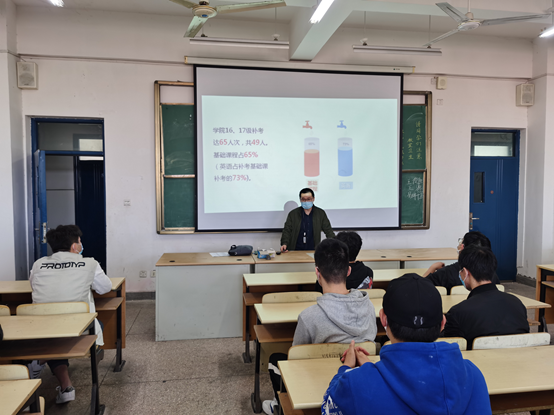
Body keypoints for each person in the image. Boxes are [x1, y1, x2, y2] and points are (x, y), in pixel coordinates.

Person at [322, 273, 492, 415]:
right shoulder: (473, 376)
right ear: (442, 323)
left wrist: (346, 369)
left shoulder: (355, 384)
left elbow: (328, 407)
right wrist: (374, 370)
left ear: (383, 319)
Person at [263, 238, 376, 414]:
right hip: (362, 383)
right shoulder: (368, 306)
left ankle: (280, 406)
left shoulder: (309, 316)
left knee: (276, 359)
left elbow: (296, 358)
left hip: (318, 383)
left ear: (317, 272)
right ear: (348, 270)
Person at [28, 224, 112, 404]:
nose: (81, 245)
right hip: (77, 330)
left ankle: (62, 382)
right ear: (74, 246)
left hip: (41, 329)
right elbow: (105, 288)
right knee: (96, 325)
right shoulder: (90, 263)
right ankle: (44, 362)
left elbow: (34, 286)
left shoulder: (38, 264)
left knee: (55, 335)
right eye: (80, 242)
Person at [444, 246, 529, 348]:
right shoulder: (517, 303)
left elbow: (451, 349)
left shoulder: (458, 312)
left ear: (465, 272)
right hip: (518, 357)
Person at [423, 231, 500, 293]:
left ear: (463, 248)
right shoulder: (492, 277)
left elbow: (421, 287)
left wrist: (432, 268)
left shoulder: (445, 273)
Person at [280, 188, 335, 252]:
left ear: (313, 199)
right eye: (303, 199)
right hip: (295, 249)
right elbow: (287, 230)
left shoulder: (320, 213)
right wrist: (284, 243)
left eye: (308, 199)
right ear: (300, 200)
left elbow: (328, 230)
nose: (306, 201)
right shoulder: (293, 214)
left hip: (314, 249)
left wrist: (335, 244)